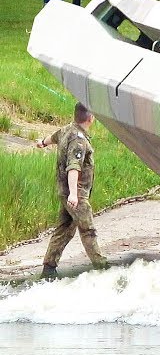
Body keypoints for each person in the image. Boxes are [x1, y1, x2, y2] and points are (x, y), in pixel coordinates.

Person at [36, 103, 108, 278]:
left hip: (64, 192)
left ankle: (49, 268)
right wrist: (75, 195)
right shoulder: (79, 140)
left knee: (64, 229)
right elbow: (74, 167)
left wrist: (42, 143)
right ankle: (102, 268)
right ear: (91, 118)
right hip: (76, 194)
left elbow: (54, 137)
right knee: (88, 230)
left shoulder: (67, 129)